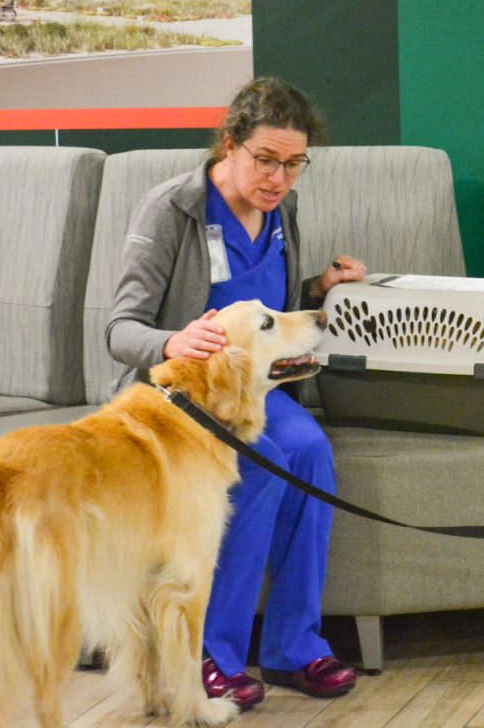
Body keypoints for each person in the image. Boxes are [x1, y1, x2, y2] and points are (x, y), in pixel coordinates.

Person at [107, 77, 365, 711]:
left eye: (294, 164)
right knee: (266, 465)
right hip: (185, 399)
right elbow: (120, 329)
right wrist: (173, 342)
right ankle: (209, 657)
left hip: (253, 392)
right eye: (266, 160)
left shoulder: (282, 211)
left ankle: (293, 646)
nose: (278, 178)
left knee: (310, 454)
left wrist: (319, 288)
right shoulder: (171, 209)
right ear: (230, 145)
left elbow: (263, 316)